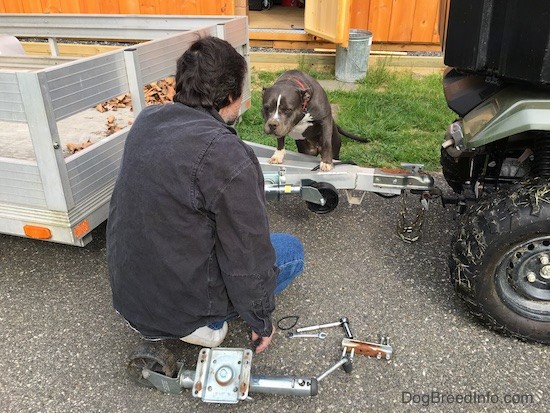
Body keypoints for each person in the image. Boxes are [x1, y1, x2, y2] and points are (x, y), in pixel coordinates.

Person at [107, 36, 304, 354]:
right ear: (229, 96)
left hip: (129, 302)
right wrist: (260, 321)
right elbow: (247, 253)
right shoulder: (228, 156)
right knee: (291, 250)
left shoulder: (146, 120)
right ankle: (207, 327)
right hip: (185, 317)